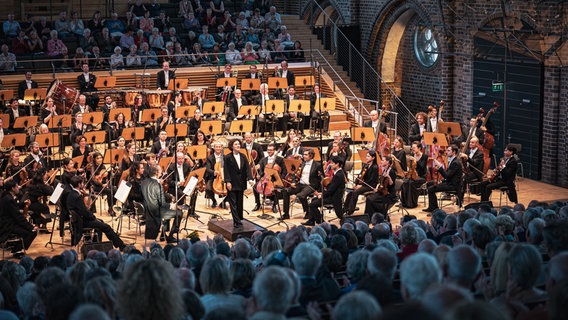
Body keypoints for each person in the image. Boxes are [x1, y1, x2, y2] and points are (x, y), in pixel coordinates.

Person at [66, 176, 126, 250]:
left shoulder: (71, 194)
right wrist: (93, 218)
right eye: (82, 183)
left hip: (78, 220)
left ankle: (95, 245)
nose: (84, 184)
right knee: (106, 227)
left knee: (100, 224)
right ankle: (121, 246)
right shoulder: (77, 197)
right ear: (79, 184)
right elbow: (85, 212)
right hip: (82, 221)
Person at [140, 164, 181, 242]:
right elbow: (163, 204)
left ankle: (163, 234)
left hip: (146, 210)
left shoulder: (143, 182)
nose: (162, 174)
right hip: (156, 212)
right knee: (179, 213)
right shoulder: (158, 185)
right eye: (160, 172)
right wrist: (171, 205)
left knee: (168, 210)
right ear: (156, 173)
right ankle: (170, 236)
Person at [281, 148, 323, 219]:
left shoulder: (317, 165)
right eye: (304, 154)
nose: (304, 156)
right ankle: (286, 214)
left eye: (306, 155)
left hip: (310, 185)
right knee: (285, 191)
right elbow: (294, 173)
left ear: (311, 156)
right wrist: (293, 182)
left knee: (301, 195)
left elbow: (321, 178)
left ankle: (308, 212)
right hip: (300, 184)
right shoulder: (302, 163)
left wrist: (318, 190)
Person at [303, 156, 345, 225]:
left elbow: (331, 190)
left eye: (332, 163)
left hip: (334, 198)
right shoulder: (338, 173)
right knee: (313, 200)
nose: (330, 164)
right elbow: (331, 187)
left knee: (312, 205)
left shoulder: (338, 175)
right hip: (332, 195)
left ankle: (320, 221)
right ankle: (312, 220)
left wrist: (321, 195)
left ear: (337, 164)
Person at [0, 180, 37, 257]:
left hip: (6, 222)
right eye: (17, 187)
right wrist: (31, 227)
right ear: (13, 188)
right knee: (32, 232)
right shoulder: (9, 199)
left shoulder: (6, 196)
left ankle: (16, 249)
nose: (18, 188)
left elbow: (14, 206)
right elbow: (18, 217)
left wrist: (23, 203)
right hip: (7, 226)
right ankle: (16, 251)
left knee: (28, 230)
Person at [423, 144, 463, 212]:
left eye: (448, 150)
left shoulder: (455, 163)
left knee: (431, 189)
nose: (446, 152)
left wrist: (440, 166)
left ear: (454, 152)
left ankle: (434, 209)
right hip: (449, 182)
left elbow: (447, 176)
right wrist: (441, 180)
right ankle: (432, 206)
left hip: (453, 185)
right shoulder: (453, 160)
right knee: (429, 184)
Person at [223, 139, 254, 228]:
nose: (238, 146)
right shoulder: (228, 157)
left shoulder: (243, 156)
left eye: (238, 144)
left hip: (241, 183)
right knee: (233, 203)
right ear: (232, 146)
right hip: (232, 183)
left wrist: (250, 179)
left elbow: (247, 169)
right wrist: (228, 181)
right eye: (235, 144)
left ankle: (240, 218)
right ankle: (236, 221)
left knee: (240, 202)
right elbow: (226, 170)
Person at [344, 149, 379, 216]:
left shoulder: (375, 167)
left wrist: (361, 185)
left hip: (370, 186)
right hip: (364, 185)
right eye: (366, 156)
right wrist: (355, 183)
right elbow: (360, 176)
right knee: (351, 192)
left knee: (355, 192)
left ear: (373, 158)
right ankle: (345, 209)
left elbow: (371, 180)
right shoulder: (365, 165)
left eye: (368, 156)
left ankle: (350, 211)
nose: (366, 157)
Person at [254, 143, 286, 214]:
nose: (269, 151)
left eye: (271, 150)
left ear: (274, 151)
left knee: (275, 188)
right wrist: (260, 175)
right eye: (268, 150)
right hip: (266, 178)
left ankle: (275, 205)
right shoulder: (263, 160)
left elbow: (284, 170)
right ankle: (258, 204)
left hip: (275, 179)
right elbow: (261, 170)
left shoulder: (280, 159)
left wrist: (280, 179)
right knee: (255, 187)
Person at [400, 141, 428, 208]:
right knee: (404, 182)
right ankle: (404, 203)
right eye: (412, 147)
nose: (413, 149)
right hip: (412, 175)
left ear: (419, 148)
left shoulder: (424, 156)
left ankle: (411, 204)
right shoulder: (412, 155)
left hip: (421, 176)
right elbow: (410, 167)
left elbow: (422, 167)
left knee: (411, 183)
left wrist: (415, 160)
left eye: (414, 147)